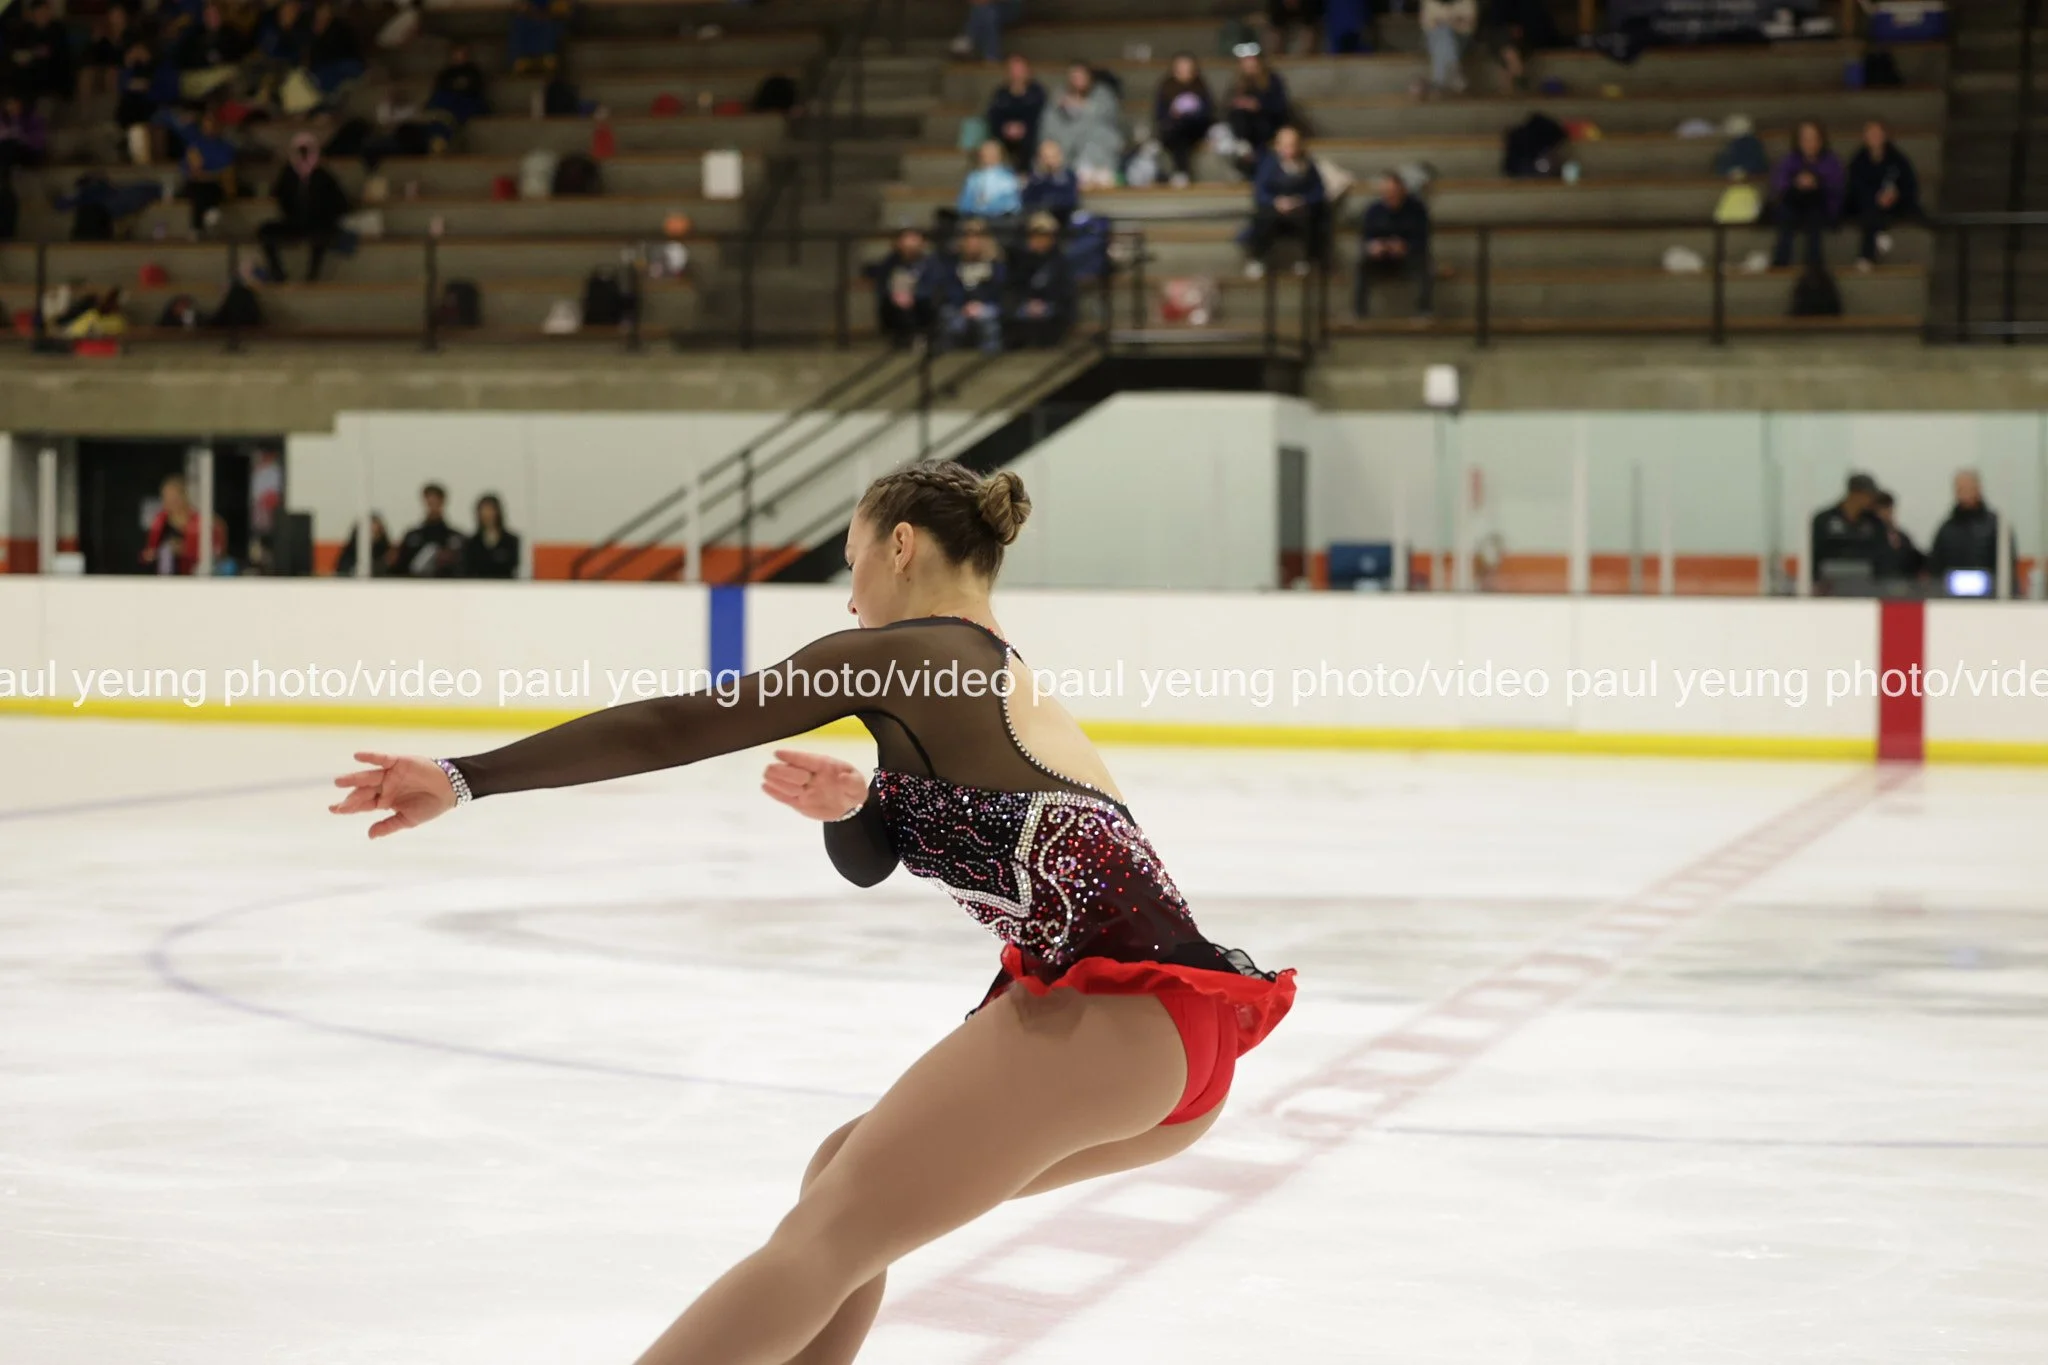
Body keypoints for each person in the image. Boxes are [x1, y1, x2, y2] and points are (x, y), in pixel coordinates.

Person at [328, 462, 1297, 1365]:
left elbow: (677, 725)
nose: (849, 595)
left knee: (827, 1234)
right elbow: (872, 861)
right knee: (840, 1179)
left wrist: (466, 776)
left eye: (851, 558)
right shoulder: (980, 676)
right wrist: (856, 809)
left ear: (900, 546)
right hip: (1170, 1047)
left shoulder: (916, 658)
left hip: (1124, 1018)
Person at [258, 133, 348, 282]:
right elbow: (277, 195)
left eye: (307, 151)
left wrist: (326, 215)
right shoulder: (288, 174)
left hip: (319, 224)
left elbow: (342, 203)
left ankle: (312, 276)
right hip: (294, 223)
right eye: (300, 151)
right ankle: (277, 272)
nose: (303, 155)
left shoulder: (323, 176)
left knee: (322, 236)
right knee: (265, 231)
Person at [1244, 125, 1326, 280]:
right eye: (1286, 145)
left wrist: (1300, 200)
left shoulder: (1308, 166)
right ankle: (1258, 259)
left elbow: (1318, 192)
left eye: (1293, 145)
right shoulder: (1268, 165)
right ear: (1277, 146)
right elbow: (1260, 192)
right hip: (1274, 210)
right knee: (1262, 218)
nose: (1290, 150)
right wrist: (1276, 202)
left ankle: (1306, 260)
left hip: (1300, 210)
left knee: (1315, 219)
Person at [1353, 170, 1433, 318]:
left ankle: (1424, 311)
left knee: (1425, 264)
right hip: (1381, 259)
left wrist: (1405, 246)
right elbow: (1365, 239)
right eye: (1387, 192)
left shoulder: (1417, 209)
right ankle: (1359, 312)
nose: (1391, 196)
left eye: (1394, 192)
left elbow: (1422, 239)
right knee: (1361, 263)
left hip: (1408, 258)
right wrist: (1374, 247)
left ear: (1403, 191)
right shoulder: (1373, 211)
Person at [1769, 120, 1844, 270]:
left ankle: (1814, 265)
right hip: (1794, 204)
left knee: (1814, 215)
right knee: (1786, 213)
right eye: (1805, 139)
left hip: (1821, 206)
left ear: (1821, 140)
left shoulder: (1830, 162)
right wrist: (1796, 183)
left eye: (1813, 138)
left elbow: (1837, 187)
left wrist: (1817, 182)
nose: (1809, 143)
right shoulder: (1790, 160)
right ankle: (1780, 263)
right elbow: (1779, 183)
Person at [1845, 119, 1919, 270]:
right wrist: (1875, 196)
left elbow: (1909, 185)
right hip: (1865, 206)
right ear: (1864, 137)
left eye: (1878, 134)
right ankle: (1870, 248)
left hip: (1893, 206)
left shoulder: (1898, 159)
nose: (1875, 138)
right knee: (1869, 210)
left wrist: (1895, 195)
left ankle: (1873, 243)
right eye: (1871, 134)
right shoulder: (1858, 161)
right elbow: (1853, 188)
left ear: (1885, 135)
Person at [1928, 470, 2017, 592]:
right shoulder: (1946, 529)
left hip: (1991, 594)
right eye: (1960, 489)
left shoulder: (1997, 526)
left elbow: (2006, 565)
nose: (1965, 493)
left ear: (1978, 488)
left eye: (1968, 488)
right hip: (1952, 596)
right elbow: (1936, 566)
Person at [1040, 61, 1123, 188]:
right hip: (1067, 161)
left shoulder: (1103, 97)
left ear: (1090, 78)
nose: (1078, 81)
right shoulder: (1058, 101)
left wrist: (1081, 107)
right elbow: (1048, 131)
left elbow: (1111, 130)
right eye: (1074, 77)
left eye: (1082, 76)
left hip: (1099, 162)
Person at [867, 226, 946, 347]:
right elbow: (881, 285)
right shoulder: (889, 263)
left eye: (914, 239)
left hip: (922, 304)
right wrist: (894, 296)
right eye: (905, 240)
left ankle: (922, 337)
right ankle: (901, 340)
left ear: (923, 243)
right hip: (895, 304)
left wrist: (913, 296)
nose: (910, 245)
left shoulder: (931, 263)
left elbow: (935, 285)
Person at [1007, 210, 1075, 347]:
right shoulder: (1019, 259)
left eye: (1044, 236)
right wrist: (1028, 302)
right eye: (1035, 236)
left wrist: (1044, 303)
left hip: (1052, 305)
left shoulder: (1060, 261)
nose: (1040, 240)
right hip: (1025, 304)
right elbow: (1014, 286)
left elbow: (1064, 290)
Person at [140, 473, 225, 575]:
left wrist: (184, 550)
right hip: (165, 576)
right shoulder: (159, 521)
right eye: (166, 497)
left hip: (194, 576)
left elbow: (216, 555)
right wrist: (152, 555)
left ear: (184, 496)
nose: (169, 501)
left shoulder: (201, 522)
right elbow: (147, 553)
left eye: (173, 497)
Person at [942, 220, 1005, 353]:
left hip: (987, 305)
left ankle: (990, 359)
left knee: (988, 319)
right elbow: (949, 288)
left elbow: (999, 289)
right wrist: (965, 305)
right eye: (968, 237)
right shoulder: (953, 263)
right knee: (951, 320)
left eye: (977, 237)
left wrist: (979, 304)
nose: (972, 241)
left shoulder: (996, 264)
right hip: (960, 306)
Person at [1225, 51, 1290, 178]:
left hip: (1268, 122)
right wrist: (1239, 104)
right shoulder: (1237, 85)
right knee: (1239, 114)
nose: (1250, 67)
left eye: (1253, 64)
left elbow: (1280, 107)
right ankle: (1243, 145)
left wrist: (1258, 105)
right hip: (1244, 126)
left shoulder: (1272, 81)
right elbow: (1226, 107)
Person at [174, 106, 238, 236]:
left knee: (209, 189)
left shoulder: (226, 147)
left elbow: (226, 171)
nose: (210, 126)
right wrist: (196, 173)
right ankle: (200, 224)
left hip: (216, 185)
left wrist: (207, 175)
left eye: (214, 122)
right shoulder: (195, 146)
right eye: (207, 122)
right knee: (197, 190)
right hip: (196, 184)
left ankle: (200, 223)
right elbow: (187, 169)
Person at [1152, 53, 1214, 188]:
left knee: (1184, 127)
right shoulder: (1166, 89)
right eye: (1180, 67)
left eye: (1187, 67)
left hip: (1196, 129)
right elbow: (1160, 116)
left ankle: (1182, 172)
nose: (1184, 70)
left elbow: (1208, 115)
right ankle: (1181, 172)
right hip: (1174, 131)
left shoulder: (1201, 88)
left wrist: (1191, 115)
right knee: (1177, 132)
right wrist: (1173, 115)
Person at [1809, 472, 1881, 586]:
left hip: (1866, 586)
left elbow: (1881, 557)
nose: (1871, 500)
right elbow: (1814, 555)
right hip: (1828, 586)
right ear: (1855, 494)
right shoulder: (1824, 520)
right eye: (1869, 495)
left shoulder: (1874, 523)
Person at [391, 482, 466, 578]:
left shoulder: (457, 538)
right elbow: (401, 569)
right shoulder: (412, 537)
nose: (432, 506)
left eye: (436, 502)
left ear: (443, 502)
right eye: (430, 502)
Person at [985, 54, 1045, 171]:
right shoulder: (1000, 94)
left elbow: (1042, 117)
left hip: (1031, 136)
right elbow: (993, 117)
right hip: (1004, 138)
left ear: (1028, 72)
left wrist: (1023, 128)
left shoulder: (1037, 93)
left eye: (1020, 70)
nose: (1016, 74)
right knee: (992, 146)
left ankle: (1026, 174)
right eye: (1013, 70)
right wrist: (1005, 128)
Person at [1488, 0, 1561, 93]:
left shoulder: (1532, 7)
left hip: (1527, 37)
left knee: (1512, 61)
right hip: (1503, 35)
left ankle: (1517, 83)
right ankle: (1517, 82)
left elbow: (1540, 23)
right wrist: (1510, 28)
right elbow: (1495, 19)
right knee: (1510, 56)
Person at [1420, 0, 1479, 95]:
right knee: (1443, 33)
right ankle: (1453, 73)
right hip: (1433, 39)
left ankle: (1439, 81)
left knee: (1445, 33)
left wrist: (1443, 21)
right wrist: (1456, 20)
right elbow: (1428, 24)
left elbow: (1469, 23)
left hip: (1462, 39)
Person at [426, 41, 490, 126]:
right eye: (457, 53)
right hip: (450, 100)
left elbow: (477, 88)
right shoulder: (446, 73)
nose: (460, 56)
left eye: (462, 53)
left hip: (468, 100)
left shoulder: (473, 71)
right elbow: (440, 88)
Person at [306, 2, 364, 95]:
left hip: (344, 62)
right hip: (321, 68)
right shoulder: (308, 27)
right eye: (322, 11)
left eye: (328, 11)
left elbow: (349, 49)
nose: (324, 14)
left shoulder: (340, 27)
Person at [957, 138, 1022, 219]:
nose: (988, 154)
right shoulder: (973, 178)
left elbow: (1012, 205)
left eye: (992, 151)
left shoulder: (1008, 178)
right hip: (975, 219)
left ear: (1000, 154)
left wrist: (984, 207)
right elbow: (964, 205)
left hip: (1000, 220)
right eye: (986, 151)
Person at [1870, 491, 1925, 587]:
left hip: (1902, 585)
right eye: (1883, 509)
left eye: (1889, 509)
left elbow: (1913, 559)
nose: (1886, 513)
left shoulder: (1902, 537)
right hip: (1877, 585)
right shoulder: (1869, 536)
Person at [461, 494, 522, 579]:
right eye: (484, 510)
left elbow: (513, 566)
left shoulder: (511, 541)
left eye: (490, 510)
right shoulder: (471, 542)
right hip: (478, 584)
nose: (487, 514)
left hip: (504, 584)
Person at [1021, 137, 1079, 225]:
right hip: (1037, 219)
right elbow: (1028, 202)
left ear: (1060, 157)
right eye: (1046, 157)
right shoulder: (1033, 178)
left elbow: (1070, 201)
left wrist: (1049, 204)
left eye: (1053, 157)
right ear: (1039, 159)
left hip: (1062, 219)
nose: (1050, 162)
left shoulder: (1069, 177)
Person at [334, 512, 392, 577]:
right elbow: (345, 573)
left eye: (376, 533)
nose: (372, 537)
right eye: (369, 533)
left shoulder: (387, 554)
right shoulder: (350, 553)